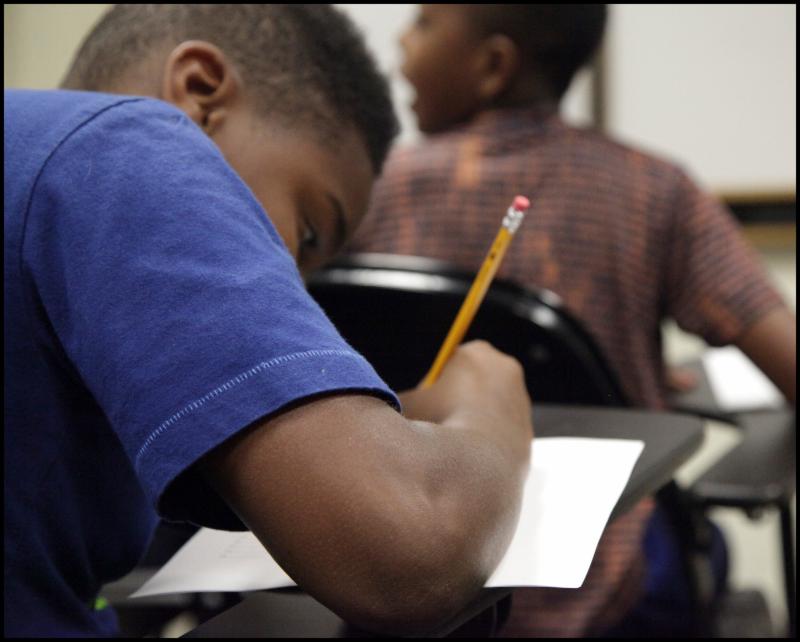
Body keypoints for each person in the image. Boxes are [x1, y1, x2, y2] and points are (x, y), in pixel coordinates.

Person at [4, 5, 535, 637]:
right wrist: (492, 409)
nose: (291, 285)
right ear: (199, 92)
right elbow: (411, 548)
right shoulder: (126, 147)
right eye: (309, 230)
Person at [346, 4, 797, 636]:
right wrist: (628, 379)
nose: (401, 37)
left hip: (410, 581)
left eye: (423, 21)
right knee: (702, 546)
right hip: (616, 588)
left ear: (492, 66)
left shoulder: (365, 193)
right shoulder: (653, 189)